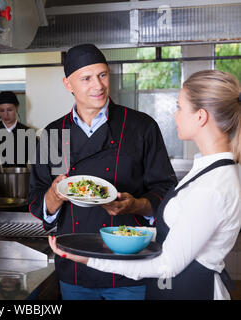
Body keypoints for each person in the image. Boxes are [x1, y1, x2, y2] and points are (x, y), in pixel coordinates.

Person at [48, 69, 241, 300]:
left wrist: (88, 257)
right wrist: (117, 234)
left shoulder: (212, 187)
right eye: (86, 78)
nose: (174, 114)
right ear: (68, 84)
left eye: (179, 107)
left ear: (200, 116)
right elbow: (179, 231)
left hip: (193, 290)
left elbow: (166, 265)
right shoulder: (208, 171)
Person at [28, 44, 177, 300]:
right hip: (75, 267)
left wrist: (137, 205)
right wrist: (54, 195)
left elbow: (165, 189)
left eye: (103, 75)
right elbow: (36, 195)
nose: (98, 85)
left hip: (129, 267)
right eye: (86, 78)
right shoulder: (53, 134)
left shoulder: (141, 127)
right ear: (68, 84)